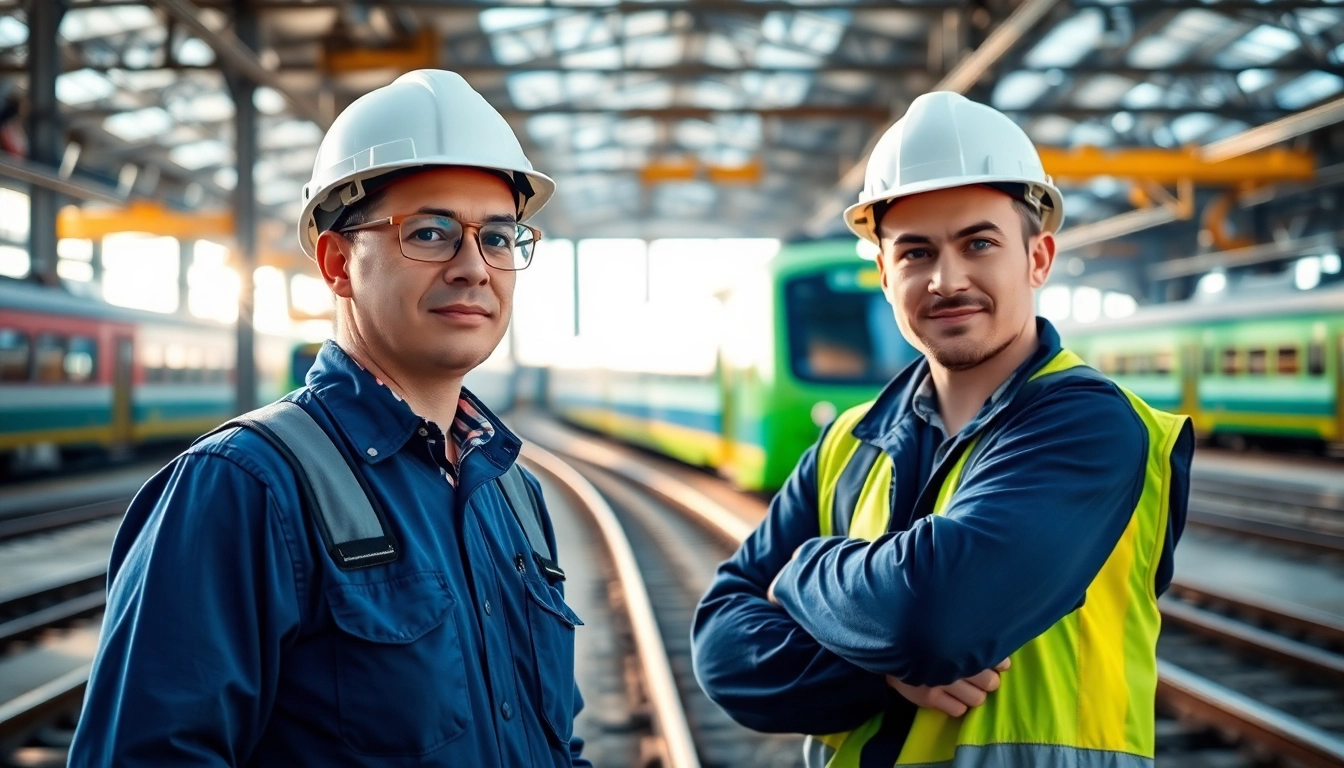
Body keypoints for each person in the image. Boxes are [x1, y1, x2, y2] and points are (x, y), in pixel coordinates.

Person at [70, 70, 590, 767]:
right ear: (337, 261)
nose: (475, 267)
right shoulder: (241, 487)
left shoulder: (512, 494)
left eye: (498, 238)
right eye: (431, 232)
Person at [691, 91, 1193, 768]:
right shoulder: (849, 440)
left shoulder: (1090, 426)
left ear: (1037, 259)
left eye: (978, 243)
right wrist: (880, 668)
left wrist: (801, 571)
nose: (945, 279)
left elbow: (935, 619)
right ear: (883, 273)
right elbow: (722, 651)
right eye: (915, 253)